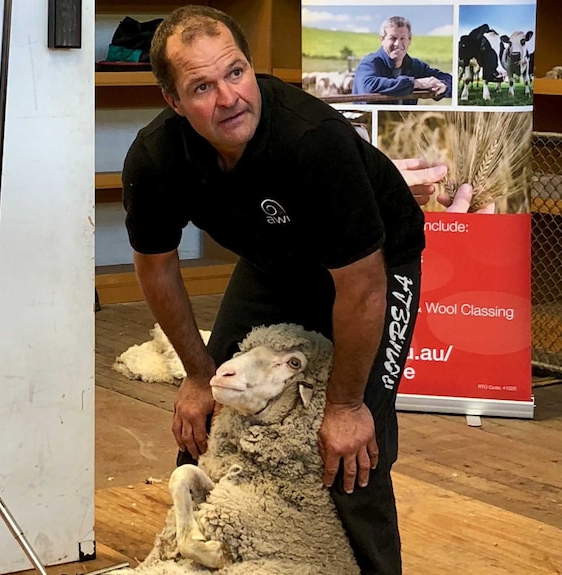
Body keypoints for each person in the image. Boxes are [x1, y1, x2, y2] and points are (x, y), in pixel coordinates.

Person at [121, 6, 426, 574]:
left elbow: (359, 287)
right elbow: (156, 268)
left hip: (375, 265)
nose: (229, 97)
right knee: (207, 414)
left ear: (253, 68)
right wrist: (195, 372)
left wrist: (344, 404)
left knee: (351, 442)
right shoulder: (156, 157)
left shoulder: (313, 141)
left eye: (235, 73)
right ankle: (197, 557)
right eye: (202, 87)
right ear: (174, 101)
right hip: (271, 263)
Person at [352, 16, 452, 103]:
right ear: (382, 40)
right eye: (392, 38)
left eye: (402, 38)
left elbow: (449, 79)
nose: (397, 44)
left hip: (405, 123)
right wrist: (415, 83)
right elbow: (368, 86)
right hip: (368, 122)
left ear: (409, 40)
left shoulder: (415, 66)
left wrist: (444, 85)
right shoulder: (369, 63)